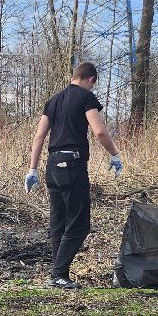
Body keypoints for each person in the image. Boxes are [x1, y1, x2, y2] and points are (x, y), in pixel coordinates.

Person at [24, 61, 124, 289]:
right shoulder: (85, 98)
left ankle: (57, 274)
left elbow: (39, 137)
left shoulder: (53, 100)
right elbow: (99, 130)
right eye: (92, 85)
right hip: (72, 164)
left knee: (58, 222)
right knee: (79, 224)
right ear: (91, 80)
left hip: (52, 165)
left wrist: (32, 169)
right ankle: (58, 274)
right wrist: (114, 154)